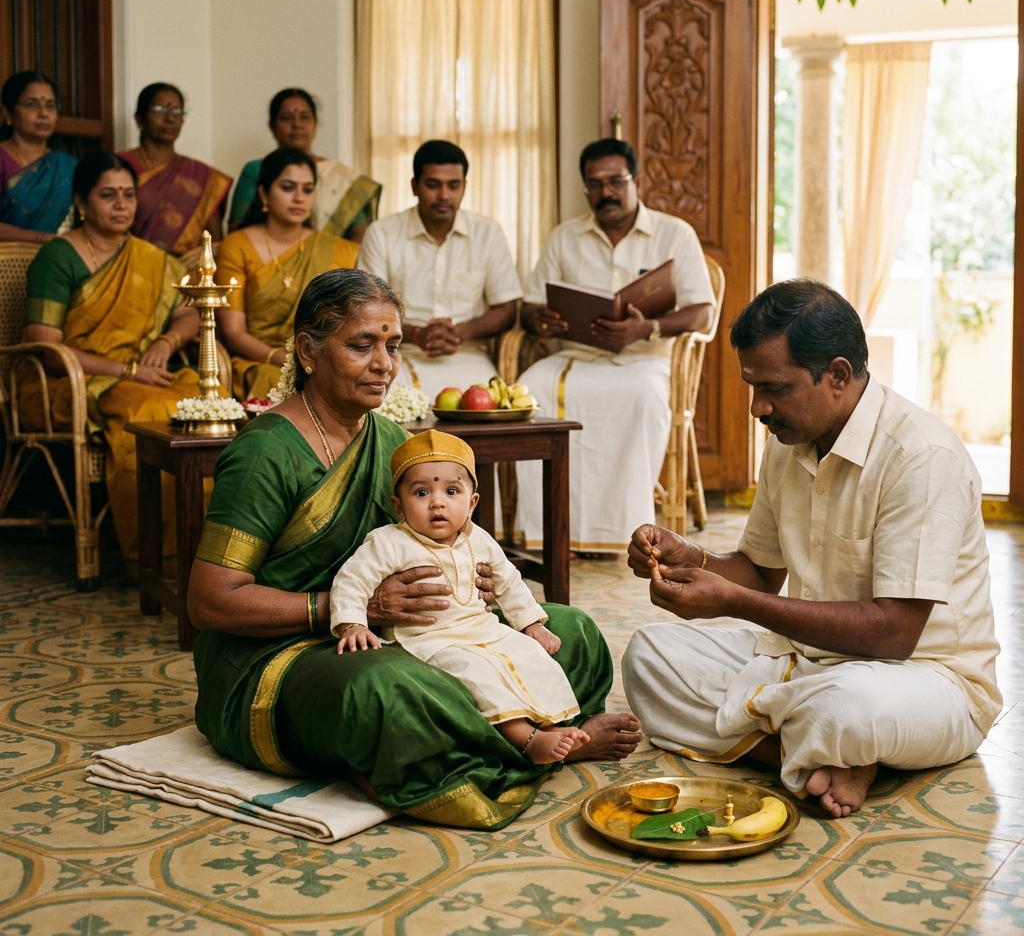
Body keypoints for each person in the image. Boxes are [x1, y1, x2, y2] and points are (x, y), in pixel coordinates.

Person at [188, 269, 643, 829]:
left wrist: (470, 581)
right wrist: (350, 608)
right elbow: (210, 602)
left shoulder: (390, 442)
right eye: (362, 345)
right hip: (280, 658)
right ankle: (514, 747)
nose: (384, 364)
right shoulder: (265, 453)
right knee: (386, 688)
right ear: (308, 351)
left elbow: (431, 540)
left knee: (569, 631)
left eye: (393, 345)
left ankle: (488, 745)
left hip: (408, 631)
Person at [621, 279, 1001, 818]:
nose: (758, 407)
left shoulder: (921, 456)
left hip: (927, 680)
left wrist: (733, 602)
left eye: (773, 387)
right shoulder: (789, 440)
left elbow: (895, 634)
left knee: (847, 707)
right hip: (805, 659)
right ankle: (819, 758)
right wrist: (692, 557)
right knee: (650, 657)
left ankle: (821, 737)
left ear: (838, 376)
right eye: (752, 386)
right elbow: (759, 571)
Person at [331, 429, 589, 765]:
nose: (437, 502)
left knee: (531, 656)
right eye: (421, 492)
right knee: (475, 673)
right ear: (399, 507)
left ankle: (554, 723)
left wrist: (531, 624)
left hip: (484, 630)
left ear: (472, 502)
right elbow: (352, 580)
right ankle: (527, 740)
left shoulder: (478, 538)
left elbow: (508, 580)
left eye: (451, 491)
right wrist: (352, 624)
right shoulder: (388, 542)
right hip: (429, 640)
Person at [516, 138, 715, 555]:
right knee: (529, 389)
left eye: (615, 181)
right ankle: (546, 531)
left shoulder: (674, 234)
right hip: (576, 356)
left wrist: (646, 329)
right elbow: (531, 307)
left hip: (646, 360)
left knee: (641, 397)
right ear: (585, 188)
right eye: (595, 184)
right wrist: (541, 319)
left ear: (636, 181)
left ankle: (625, 532)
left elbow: (701, 313)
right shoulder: (564, 237)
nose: (605, 192)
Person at [20, 152, 202, 565]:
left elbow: (189, 312)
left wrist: (167, 343)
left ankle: (210, 550)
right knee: (149, 410)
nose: (122, 205)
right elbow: (45, 346)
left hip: (146, 373)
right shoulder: (58, 257)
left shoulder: (151, 259)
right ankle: (161, 555)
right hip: (73, 381)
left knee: (206, 403)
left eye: (129, 195)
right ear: (81, 204)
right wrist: (127, 371)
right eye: (108, 195)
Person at [357, 140, 521, 399]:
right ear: (415, 186)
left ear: (464, 187)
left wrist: (460, 333)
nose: (444, 195)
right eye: (433, 185)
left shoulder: (487, 233)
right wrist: (417, 334)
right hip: (399, 355)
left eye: (453, 185)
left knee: (487, 404)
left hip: (468, 355)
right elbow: (367, 309)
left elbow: (506, 309)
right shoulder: (382, 234)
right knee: (389, 405)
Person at [214, 148, 359, 401]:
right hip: (260, 361)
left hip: (321, 360)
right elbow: (234, 333)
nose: (299, 198)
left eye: (308, 189)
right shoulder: (237, 246)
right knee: (278, 382)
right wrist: (281, 358)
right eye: (288, 187)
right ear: (264, 193)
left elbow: (348, 324)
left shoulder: (337, 250)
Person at [227, 88, 380, 241]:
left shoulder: (342, 177)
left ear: (315, 123)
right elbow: (236, 231)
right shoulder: (256, 169)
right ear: (272, 126)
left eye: (305, 117)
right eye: (286, 118)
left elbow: (360, 234)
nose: (297, 124)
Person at [119, 83, 232, 264]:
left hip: (185, 276)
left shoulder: (201, 176)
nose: (170, 118)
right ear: (140, 118)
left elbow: (214, 241)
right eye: (159, 110)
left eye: (177, 112)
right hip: (129, 267)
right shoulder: (119, 166)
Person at [0, 71, 76, 243]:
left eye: (50, 105)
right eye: (32, 105)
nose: (44, 113)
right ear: (8, 114)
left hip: (57, 264)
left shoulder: (70, 167)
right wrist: (40, 238)